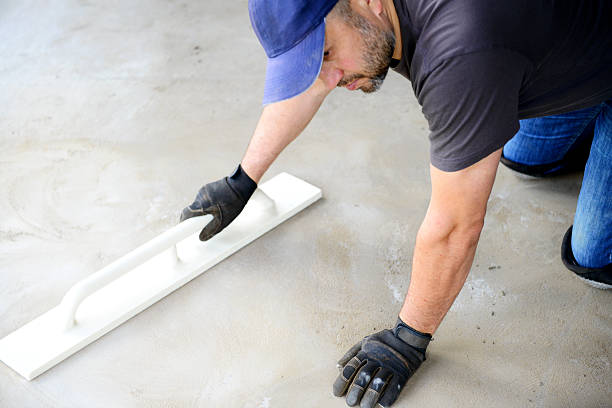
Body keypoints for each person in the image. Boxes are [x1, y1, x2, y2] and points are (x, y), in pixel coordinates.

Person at [180, 0, 612, 406]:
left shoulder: (460, 51)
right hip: (551, 32)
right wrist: (242, 180)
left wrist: (408, 338)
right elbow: (314, 82)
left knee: (593, 256)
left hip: (525, 41)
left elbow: (456, 225)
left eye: (327, 53)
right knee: (523, 157)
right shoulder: (364, 17)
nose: (330, 79)